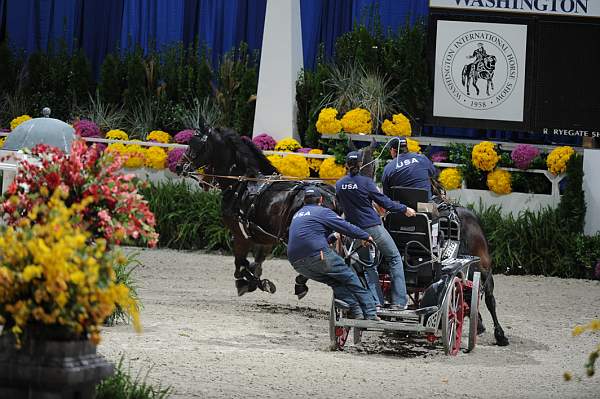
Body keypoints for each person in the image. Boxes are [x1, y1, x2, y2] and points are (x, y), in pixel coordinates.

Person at [335, 152, 415, 311]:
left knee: (368, 265)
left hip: (354, 231)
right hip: (372, 227)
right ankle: (399, 301)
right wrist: (404, 208)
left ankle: (377, 301)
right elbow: (385, 203)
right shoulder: (366, 182)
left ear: (346, 165)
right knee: (394, 257)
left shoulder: (339, 184)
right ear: (360, 165)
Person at [287, 186, 381, 321]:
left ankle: (357, 312)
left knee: (336, 283)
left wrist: (332, 237)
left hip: (297, 263)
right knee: (351, 278)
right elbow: (346, 227)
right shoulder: (323, 212)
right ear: (320, 199)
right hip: (318, 255)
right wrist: (366, 236)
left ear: (305, 201)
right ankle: (371, 313)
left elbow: (310, 235)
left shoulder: (297, 214)